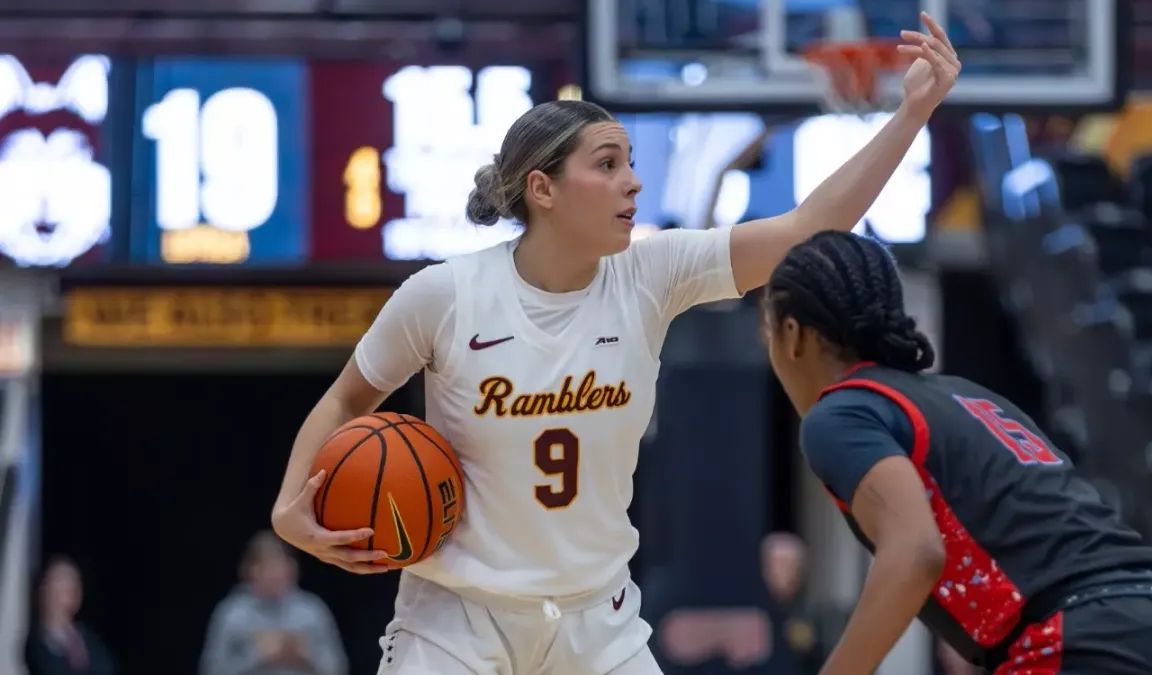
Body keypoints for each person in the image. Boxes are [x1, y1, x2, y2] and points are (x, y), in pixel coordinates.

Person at [270, 13, 960, 674]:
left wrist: (911, 114)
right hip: (455, 617)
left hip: (596, 621)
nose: (633, 180)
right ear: (543, 188)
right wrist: (289, 508)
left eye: (630, 161)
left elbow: (807, 227)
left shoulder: (651, 275)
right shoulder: (445, 294)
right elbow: (347, 399)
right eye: (607, 164)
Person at [761, 230, 1152, 674]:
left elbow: (915, 552)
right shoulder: (965, 396)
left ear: (793, 335)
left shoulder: (838, 412)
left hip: (1084, 635)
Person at [199, 531, 347, 675]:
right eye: (269, 567)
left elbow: (339, 667)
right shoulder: (232, 615)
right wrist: (259, 654)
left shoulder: (312, 611)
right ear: (251, 570)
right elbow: (211, 669)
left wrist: (306, 655)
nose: (277, 574)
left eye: (281, 565)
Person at [24, 555, 116, 675]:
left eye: (75, 582)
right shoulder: (38, 644)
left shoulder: (89, 639)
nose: (72, 589)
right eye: (62, 583)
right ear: (45, 591)